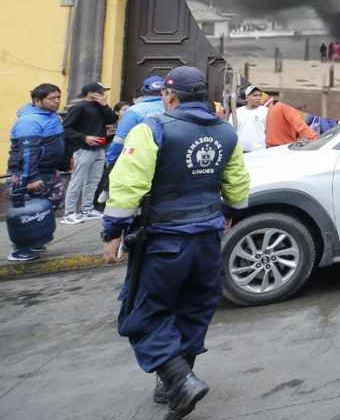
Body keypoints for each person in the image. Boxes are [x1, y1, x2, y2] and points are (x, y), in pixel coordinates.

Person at [101, 65, 250, 420]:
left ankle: (180, 381)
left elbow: (126, 186)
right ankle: (173, 385)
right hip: (207, 241)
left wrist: (112, 232)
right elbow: (239, 186)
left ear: (170, 95)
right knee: (194, 309)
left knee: (144, 314)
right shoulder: (227, 133)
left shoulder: (151, 128)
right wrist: (230, 212)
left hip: (164, 241)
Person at [6, 83, 66, 262]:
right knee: (28, 213)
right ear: (37, 101)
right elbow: (27, 152)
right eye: (51, 99)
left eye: (58, 97)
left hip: (48, 172)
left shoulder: (52, 116)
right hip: (30, 174)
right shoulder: (29, 121)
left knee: (48, 207)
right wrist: (31, 178)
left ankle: (35, 241)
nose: (56, 102)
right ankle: (20, 249)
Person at [61, 80, 118, 224]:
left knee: (93, 180)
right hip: (83, 149)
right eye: (100, 93)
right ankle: (69, 212)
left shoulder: (100, 107)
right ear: (90, 94)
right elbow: (66, 128)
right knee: (77, 180)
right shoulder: (79, 107)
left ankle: (87, 209)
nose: (103, 95)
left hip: (99, 148)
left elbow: (112, 119)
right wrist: (84, 138)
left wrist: (105, 105)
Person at [229, 85, 268, 153]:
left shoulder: (266, 112)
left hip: (260, 151)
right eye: (255, 95)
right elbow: (230, 132)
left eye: (260, 95)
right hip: (240, 152)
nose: (258, 98)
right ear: (247, 97)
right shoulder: (236, 113)